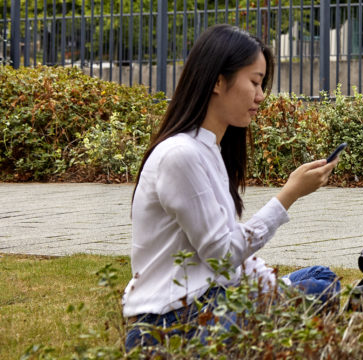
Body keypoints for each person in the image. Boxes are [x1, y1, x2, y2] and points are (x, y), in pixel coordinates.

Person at [123, 25, 340, 351]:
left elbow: (225, 247)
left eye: (262, 84)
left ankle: (275, 306)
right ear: (216, 81)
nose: (261, 95)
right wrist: (288, 195)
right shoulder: (181, 155)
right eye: (254, 82)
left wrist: (268, 286)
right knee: (322, 291)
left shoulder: (208, 150)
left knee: (323, 276)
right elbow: (223, 255)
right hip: (174, 321)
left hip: (209, 296)